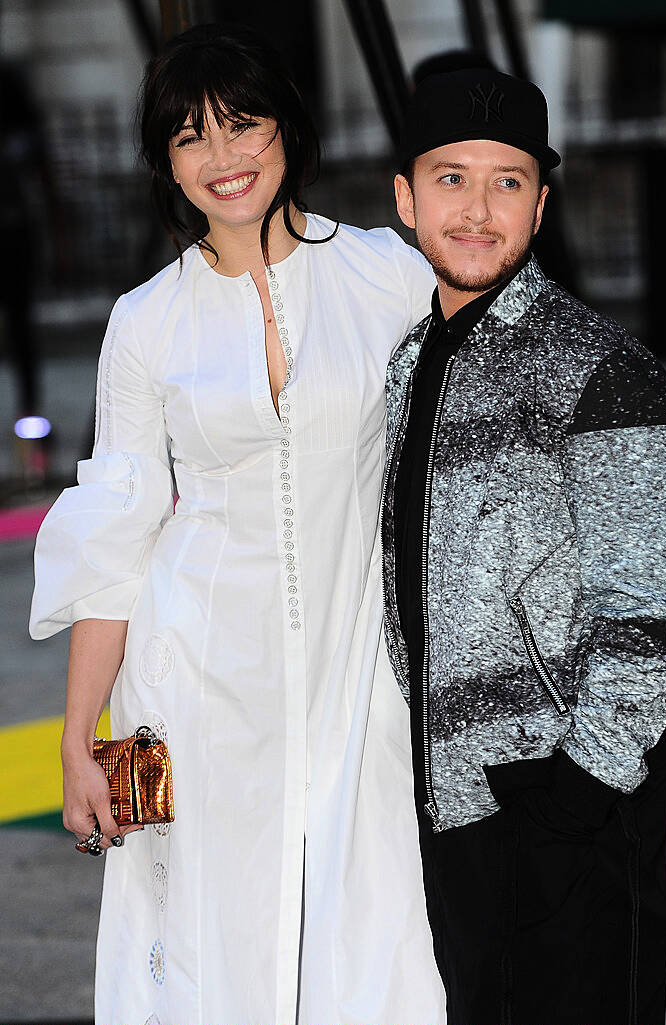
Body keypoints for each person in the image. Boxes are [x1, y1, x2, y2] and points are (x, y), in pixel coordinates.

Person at [29, 24, 446, 1025]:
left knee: (377, 933)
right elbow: (117, 531)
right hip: (196, 679)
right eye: (189, 137)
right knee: (204, 939)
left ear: (288, 130)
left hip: (360, 674)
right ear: (165, 164)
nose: (222, 157)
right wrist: (80, 733)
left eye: (242, 124)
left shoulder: (387, 273)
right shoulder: (145, 320)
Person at [381, 65, 666, 1025]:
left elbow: (651, 615)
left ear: (541, 203)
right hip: (457, 810)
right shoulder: (408, 360)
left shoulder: (599, 366)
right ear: (403, 197)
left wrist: (576, 793)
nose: (478, 209)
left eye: (508, 181)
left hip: (571, 807)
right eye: (450, 178)